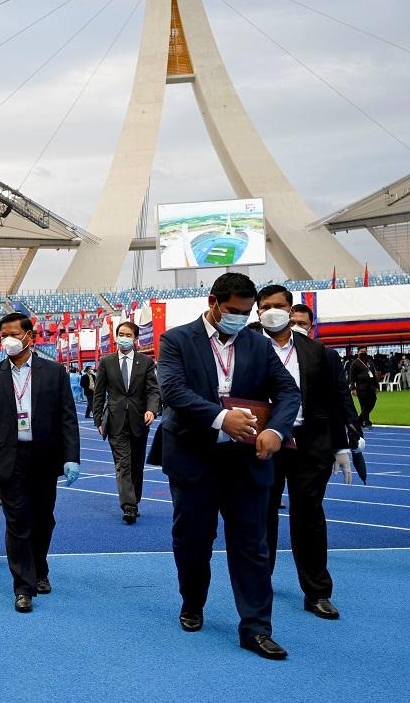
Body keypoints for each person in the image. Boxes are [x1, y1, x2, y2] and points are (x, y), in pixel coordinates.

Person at [156, 273, 300, 660]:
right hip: (194, 459)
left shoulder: (258, 344)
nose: (240, 317)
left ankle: (256, 628)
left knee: (252, 545)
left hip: (246, 462)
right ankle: (192, 602)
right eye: (233, 310)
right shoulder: (176, 340)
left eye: (246, 312)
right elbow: (173, 391)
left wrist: (276, 429)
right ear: (213, 302)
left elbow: (288, 391)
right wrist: (221, 418)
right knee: (192, 540)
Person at [0, 313, 80, 614]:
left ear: (29, 336)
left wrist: (72, 457)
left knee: (43, 519)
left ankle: (40, 568)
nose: (7, 339)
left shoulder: (54, 372)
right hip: (9, 458)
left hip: (44, 456)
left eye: (13, 333)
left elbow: (68, 418)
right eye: (2, 334)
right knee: (17, 521)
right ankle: (23, 586)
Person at [256, 285, 352, 621]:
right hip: (263, 443)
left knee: (309, 517)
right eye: (266, 306)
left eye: (279, 305)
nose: (273, 311)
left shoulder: (317, 352)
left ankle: (317, 592)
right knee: (261, 515)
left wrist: (341, 444)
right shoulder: (246, 347)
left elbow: (333, 400)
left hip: (309, 444)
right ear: (257, 312)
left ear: (290, 308)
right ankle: (258, 584)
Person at [92, 321, 160, 524]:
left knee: (136, 464)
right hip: (115, 421)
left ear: (136, 339)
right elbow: (99, 393)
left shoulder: (146, 362)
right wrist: (98, 419)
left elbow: (153, 390)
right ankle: (129, 506)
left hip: (140, 420)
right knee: (123, 464)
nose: (123, 338)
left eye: (128, 335)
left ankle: (135, 500)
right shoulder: (107, 362)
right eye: (121, 334)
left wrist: (152, 410)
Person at [348, 345, 377, 428]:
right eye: (362, 352)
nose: (364, 353)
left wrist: (376, 385)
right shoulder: (355, 363)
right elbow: (351, 377)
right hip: (361, 387)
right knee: (364, 405)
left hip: (371, 387)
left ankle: (359, 420)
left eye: (365, 352)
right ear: (358, 352)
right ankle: (366, 422)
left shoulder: (369, 362)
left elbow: (374, 374)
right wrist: (353, 388)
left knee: (372, 402)